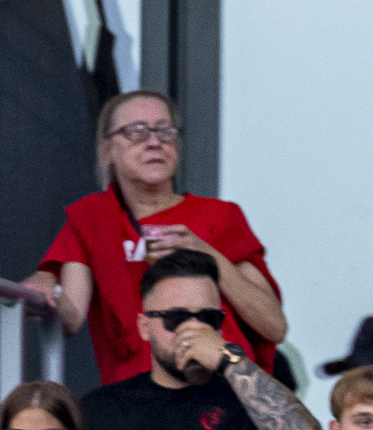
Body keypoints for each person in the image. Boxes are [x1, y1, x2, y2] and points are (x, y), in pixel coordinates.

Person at [35, 93, 284, 389]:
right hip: (139, 397)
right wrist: (46, 291)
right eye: (136, 132)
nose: (154, 142)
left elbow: (274, 326)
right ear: (108, 150)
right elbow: (71, 317)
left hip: (221, 392)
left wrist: (208, 256)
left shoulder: (220, 216)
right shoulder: (92, 218)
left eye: (165, 131)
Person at [79, 255, 324, 430]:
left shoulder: (245, 397)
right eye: (176, 318)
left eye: (208, 318)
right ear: (144, 327)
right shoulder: (103, 408)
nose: (194, 329)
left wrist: (230, 359)